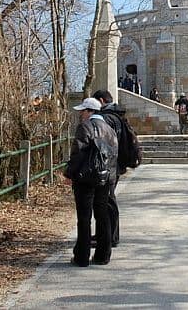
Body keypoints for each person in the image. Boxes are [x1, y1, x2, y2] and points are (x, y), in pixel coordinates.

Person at [67, 97, 118, 267]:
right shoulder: (109, 129)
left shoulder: (85, 127)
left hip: (86, 178)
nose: (81, 114)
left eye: (83, 111)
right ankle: (103, 255)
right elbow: (113, 155)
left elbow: (78, 153)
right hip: (105, 178)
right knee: (102, 215)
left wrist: (70, 174)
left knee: (84, 217)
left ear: (90, 111)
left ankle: (82, 256)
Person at [92, 89, 131, 248]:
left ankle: (109, 236)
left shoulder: (107, 118)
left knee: (106, 201)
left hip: (109, 165)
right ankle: (108, 234)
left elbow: (104, 143)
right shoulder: (118, 116)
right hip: (116, 163)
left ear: (101, 101)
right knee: (108, 200)